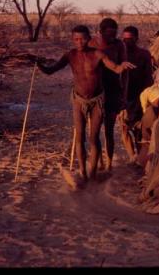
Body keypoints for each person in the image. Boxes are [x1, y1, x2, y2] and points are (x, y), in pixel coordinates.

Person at [27, 25, 135, 182]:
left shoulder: (98, 54)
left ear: (89, 39)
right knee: (79, 137)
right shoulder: (70, 55)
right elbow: (51, 70)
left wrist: (122, 66)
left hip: (97, 100)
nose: (80, 42)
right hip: (78, 100)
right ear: (72, 40)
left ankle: (92, 174)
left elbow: (115, 68)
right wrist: (38, 64)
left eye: (83, 39)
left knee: (94, 138)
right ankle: (83, 172)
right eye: (76, 39)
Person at [88, 18, 127, 171]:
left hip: (113, 90)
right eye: (108, 35)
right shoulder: (91, 44)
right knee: (94, 131)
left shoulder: (119, 45)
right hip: (95, 91)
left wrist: (123, 93)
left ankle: (109, 163)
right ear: (100, 32)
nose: (112, 38)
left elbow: (124, 71)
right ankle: (98, 162)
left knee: (109, 130)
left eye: (114, 34)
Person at [118, 26, 153, 163]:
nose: (126, 42)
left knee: (139, 129)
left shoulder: (144, 54)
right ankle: (132, 156)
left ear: (136, 39)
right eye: (124, 39)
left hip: (139, 98)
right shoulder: (119, 55)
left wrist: (147, 99)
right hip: (123, 99)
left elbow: (149, 78)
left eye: (130, 39)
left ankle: (140, 156)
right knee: (124, 128)